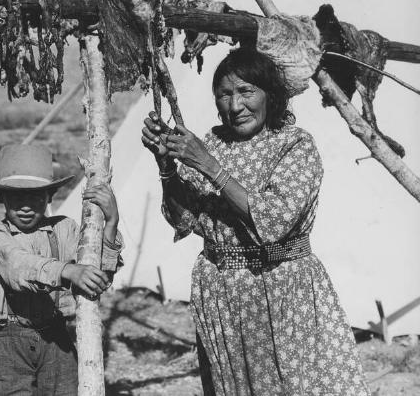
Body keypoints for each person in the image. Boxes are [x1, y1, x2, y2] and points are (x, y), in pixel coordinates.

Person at [141, 48, 368, 395]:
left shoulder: (293, 145)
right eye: (225, 94)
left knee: (289, 386)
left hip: (279, 291)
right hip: (220, 293)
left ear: (270, 95)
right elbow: (183, 218)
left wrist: (208, 166)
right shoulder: (213, 142)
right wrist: (167, 166)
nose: (235, 106)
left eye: (246, 91)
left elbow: (273, 221)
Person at [0, 144, 123, 395]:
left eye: (35, 197)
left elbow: (98, 275)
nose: (25, 206)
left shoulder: (65, 229)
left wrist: (111, 223)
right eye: (16, 198)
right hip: (10, 340)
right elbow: (17, 266)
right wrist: (68, 270)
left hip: (56, 337)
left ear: (49, 197)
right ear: (1, 198)